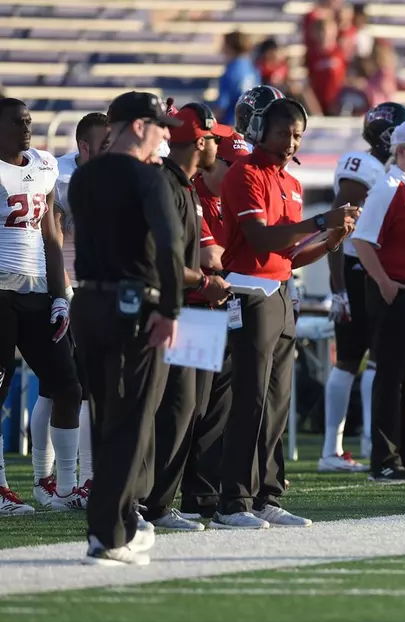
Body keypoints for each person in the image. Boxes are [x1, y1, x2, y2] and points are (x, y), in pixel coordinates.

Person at [212, 91, 358, 529]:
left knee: (277, 401)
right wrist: (320, 222)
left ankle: (266, 495)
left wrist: (331, 240)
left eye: (297, 135)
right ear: (259, 131)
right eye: (283, 133)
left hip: (279, 290)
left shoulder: (291, 183)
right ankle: (232, 501)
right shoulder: (245, 174)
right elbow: (261, 241)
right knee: (251, 398)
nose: (291, 142)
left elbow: (289, 255)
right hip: (248, 291)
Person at [69, 91, 183, 563]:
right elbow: (170, 245)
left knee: (102, 417)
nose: (165, 136)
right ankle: (110, 533)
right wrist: (171, 309)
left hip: (88, 303)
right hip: (133, 307)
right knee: (134, 420)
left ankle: (111, 526)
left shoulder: (82, 177)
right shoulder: (148, 178)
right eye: (159, 127)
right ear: (138, 127)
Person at [142, 103, 234, 531]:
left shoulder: (186, 184)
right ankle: (149, 505)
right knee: (171, 410)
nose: (219, 146)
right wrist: (203, 282)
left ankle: (162, 502)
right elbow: (162, 257)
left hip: (194, 310)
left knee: (191, 410)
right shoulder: (166, 183)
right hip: (175, 309)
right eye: (215, 139)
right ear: (201, 141)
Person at [320, 101, 405, 471]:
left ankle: (374, 441)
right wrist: (338, 288)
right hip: (358, 272)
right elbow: (336, 227)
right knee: (350, 359)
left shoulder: (395, 169)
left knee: (379, 358)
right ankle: (332, 448)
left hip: (377, 270)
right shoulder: (364, 167)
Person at [0, 98, 81, 516]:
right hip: (0, 291)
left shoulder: (44, 165)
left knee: (66, 385)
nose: (26, 126)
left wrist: (59, 295)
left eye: (28, 119)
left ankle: (63, 486)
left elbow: (51, 235)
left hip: (36, 291)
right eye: (17, 120)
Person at [351, 120, 405, 483]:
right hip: (396, 290)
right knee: (391, 377)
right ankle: (385, 458)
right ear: (402, 148)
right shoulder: (387, 186)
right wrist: (384, 281)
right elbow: (362, 240)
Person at [180, 130, 251, 519]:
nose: (239, 172)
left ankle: (200, 497)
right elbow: (215, 257)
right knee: (187, 410)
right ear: (212, 161)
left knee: (216, 411)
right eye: (232, 164)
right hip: (193, 308)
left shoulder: (237, 198)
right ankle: (157, 498)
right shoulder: (195, 195)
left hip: (226, 307)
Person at [47, 111, 108, 506]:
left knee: (74, 390)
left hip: (94, 289)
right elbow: (56, 236)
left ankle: (70, 482)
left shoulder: (111, 173)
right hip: (64, 286)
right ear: (84, 146)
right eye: (104, 144)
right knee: (66, 390)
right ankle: (60, 480)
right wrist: (63, 290)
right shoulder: (63, 176)